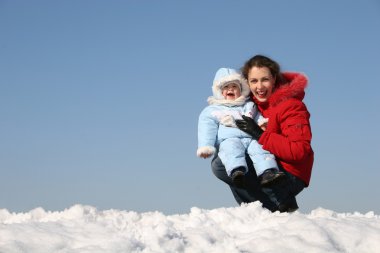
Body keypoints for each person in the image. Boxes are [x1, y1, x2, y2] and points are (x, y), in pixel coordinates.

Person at [211, 55, 314, 212]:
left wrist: (260, 134)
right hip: (268, 163)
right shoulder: (251, 105)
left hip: (290, 173)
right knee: (227, 155)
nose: (259, 86)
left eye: (264, 79)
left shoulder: (292, 106)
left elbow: (299, 152)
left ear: (274, 79)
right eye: (254, 81)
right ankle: (258, 210)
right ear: (247, 83)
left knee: (221, 164)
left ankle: (276, 204)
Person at [197, 67, 285, 188]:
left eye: (234, 87)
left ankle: (267, 172)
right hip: (230, 138)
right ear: (220, 92)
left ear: (241, 89)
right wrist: (206, 146)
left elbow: (256, 117)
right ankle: (236, 171)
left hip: (250, 137)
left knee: (261, 149)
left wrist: (263, 124)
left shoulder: (248, 106)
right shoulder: (214, 110)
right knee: (231, 149)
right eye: (226, 87)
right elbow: (207, 128)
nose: (230, 89)